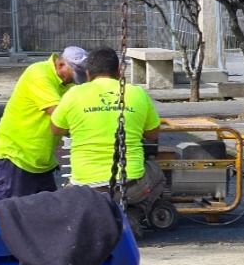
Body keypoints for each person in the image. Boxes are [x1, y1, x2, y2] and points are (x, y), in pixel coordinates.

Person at [0, 46, 88, 221]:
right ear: (60, 63)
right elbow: (57, 113)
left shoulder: (69, 85)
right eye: (72, 73)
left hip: (40, 161)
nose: (74, 80)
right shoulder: (39, 74)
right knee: (1, 214)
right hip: (15, 155)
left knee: (46, 214)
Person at [49, 46, 164, 214]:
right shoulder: (137, 93)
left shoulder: (74, 94)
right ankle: (137, 212)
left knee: (68, 195)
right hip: (130, 187)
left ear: (88, 74)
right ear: (119, 72)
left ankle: (96, 216)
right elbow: (153, 134)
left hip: (86, 190)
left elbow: (56, 129)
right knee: (157, 172)